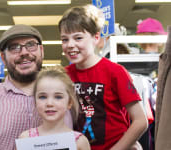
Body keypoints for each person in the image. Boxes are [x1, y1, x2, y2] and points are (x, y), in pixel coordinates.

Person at [58, 4, 148, 150]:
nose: (70, 45)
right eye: (64, 39)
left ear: (96, 37)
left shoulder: (115, 72)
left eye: (78, 38)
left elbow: (140, 121)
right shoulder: (63, 75)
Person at [0, 24, 73, 150]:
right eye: (14, 47)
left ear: (41, 51)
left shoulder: (62, 97)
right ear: (3, 58)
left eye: (31, 45)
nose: (24, 52)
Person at [18, 66, 90, 150]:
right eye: (42, 97)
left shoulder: (79, 142)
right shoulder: (26, 139)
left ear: (69, 102)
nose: (49, 103)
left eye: (58, 97)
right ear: (35, 101)